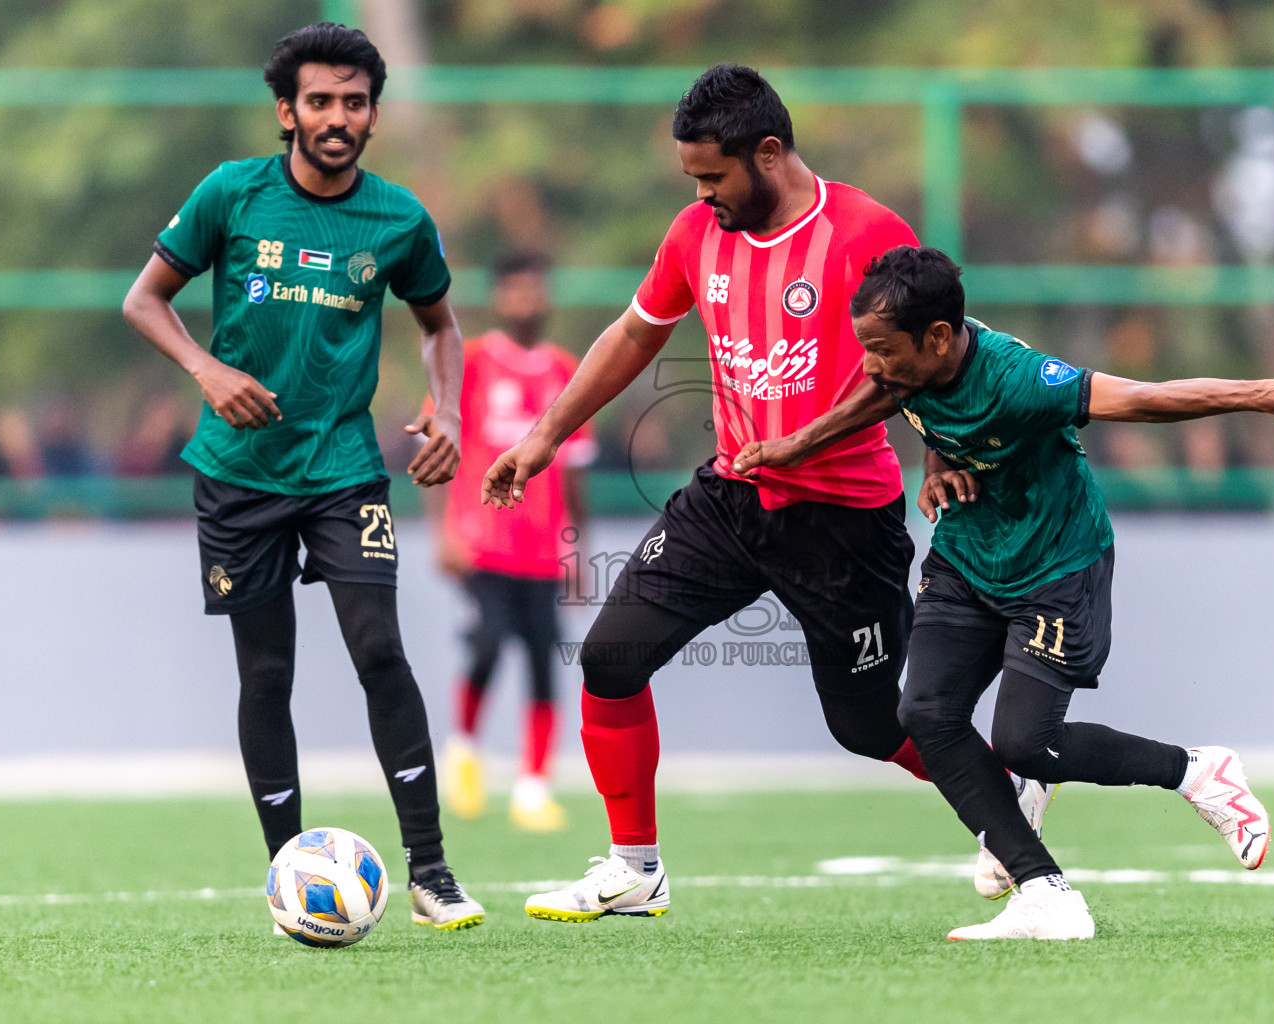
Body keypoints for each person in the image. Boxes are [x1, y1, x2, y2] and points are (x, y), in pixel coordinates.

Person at [733, 245, 1274, 940]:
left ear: (939, 338)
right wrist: (867, 453)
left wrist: (1264, 394)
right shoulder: (908, 366)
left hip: (1057, 568)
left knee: (1024, 741)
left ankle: (1197, 771)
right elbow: (903, 398)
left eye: (882, 349)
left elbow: (1147, 401)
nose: (871, 365)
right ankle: (1045, 892)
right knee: (924, 712)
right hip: (967, 558)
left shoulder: (1023, 378)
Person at [482, 63, 940, 924]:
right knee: (611, 660)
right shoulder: (696, 234)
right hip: (731, 498)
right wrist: (544, 436)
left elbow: (925, 365)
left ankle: (1003, 791)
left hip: (846, 520)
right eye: (692, 179)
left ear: (768, 154)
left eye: (713, 177)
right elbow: (633, 334)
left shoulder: (868, 232)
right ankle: (634, 867)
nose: (702, 196)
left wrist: (944, 455)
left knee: (871, 728)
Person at [122, 22, 483, 935]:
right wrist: (206, 371)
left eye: (354, 103)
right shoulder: (230, 195)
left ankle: (432, 872)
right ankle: (287, 870)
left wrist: (446, 411)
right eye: (319, 101)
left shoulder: (399, 219)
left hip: (344, 469)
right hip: (237, 476)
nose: (337, 117)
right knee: (267, 672)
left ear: (372, 115)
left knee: (380, 653)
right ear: (287, 110)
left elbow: (441, 328)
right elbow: (143, 300)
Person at [430, 251, 594, 832]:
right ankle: (466, 750)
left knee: (545, 660)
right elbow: (439, 449)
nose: (530, 300)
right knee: (489, 644)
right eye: (518, 290)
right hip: (484, 542)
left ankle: (533, 787)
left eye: (538, 289)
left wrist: (577, 550)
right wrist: (443, 530)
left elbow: (574, 473)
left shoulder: (568, 372)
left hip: (545, 550)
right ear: (499, 297)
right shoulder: (474, 363)